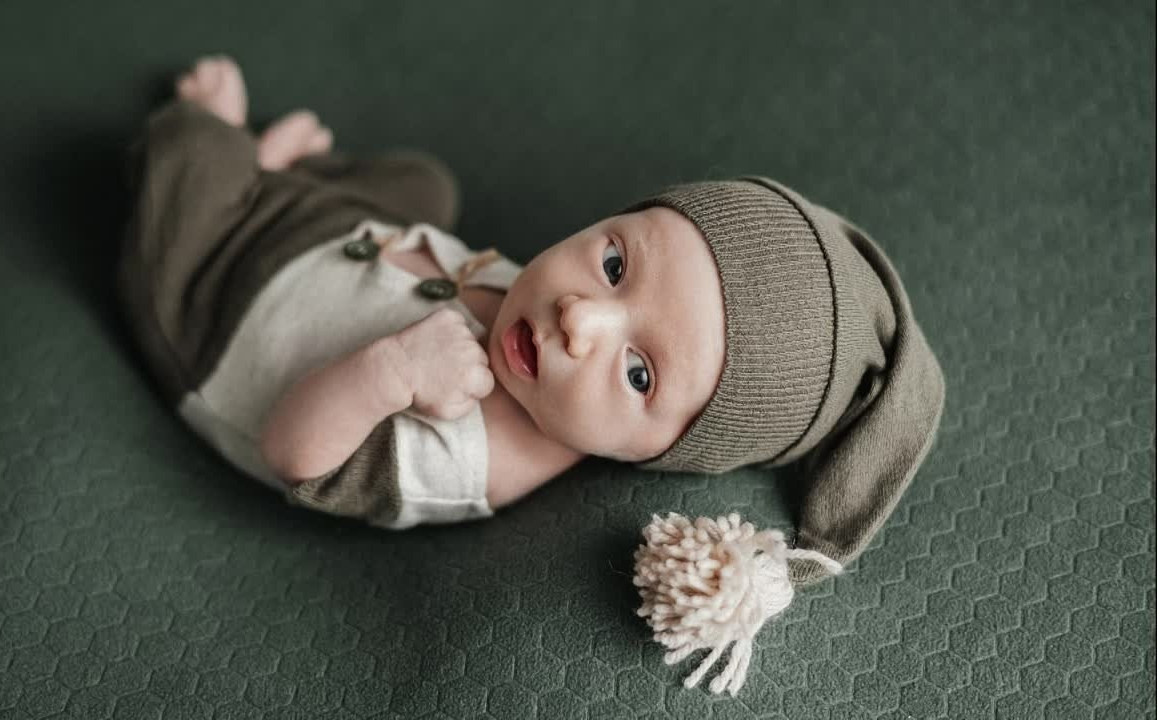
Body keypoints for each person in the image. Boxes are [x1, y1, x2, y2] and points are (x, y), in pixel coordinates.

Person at [119, 55, 945, 593]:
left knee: (186, 171)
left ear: (662, 456)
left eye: (639, 374)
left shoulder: (475, 453)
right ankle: (277, 176)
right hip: (340, 240)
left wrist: (392, 374)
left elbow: (294, 450)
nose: (581, 318)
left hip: (218, 302)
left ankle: (222, 145)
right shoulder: (549, 340)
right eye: (616, 264)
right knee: (426, 185)